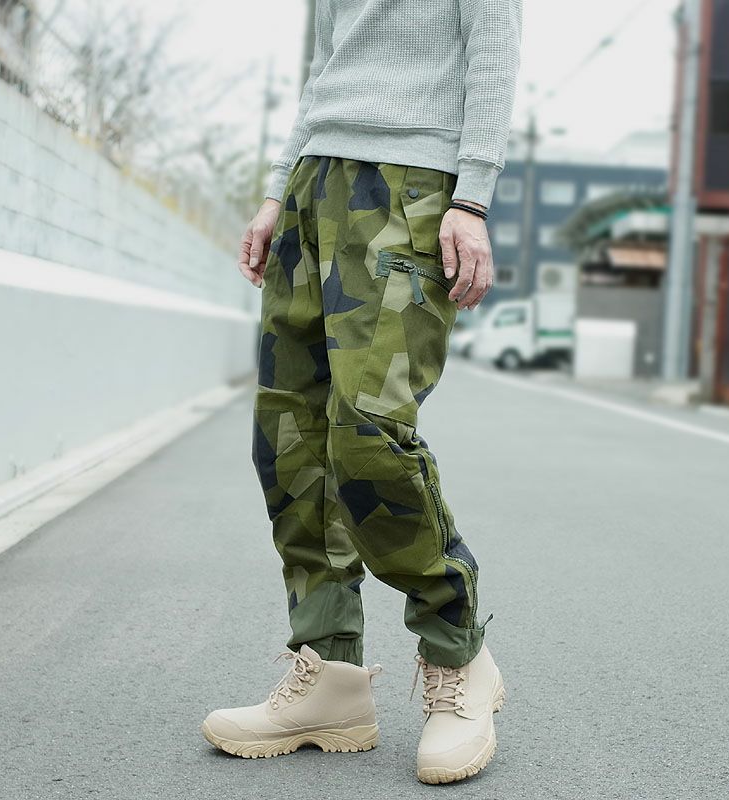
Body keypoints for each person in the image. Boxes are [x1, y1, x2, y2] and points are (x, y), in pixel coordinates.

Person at [202, 0, 522, 785]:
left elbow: (492, 46)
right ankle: (331, 673)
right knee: (289, 439)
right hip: (313, 184)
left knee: (367, 432)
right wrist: (278, 193)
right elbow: (326, 67)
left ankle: (459, 653)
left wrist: (472, 197)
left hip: (410, 185)